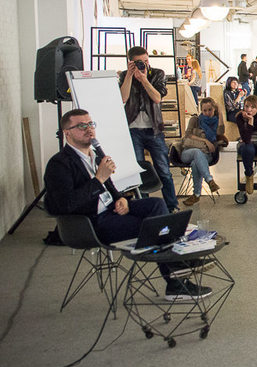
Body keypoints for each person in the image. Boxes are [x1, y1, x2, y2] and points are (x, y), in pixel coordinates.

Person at [44, 109, 211, 301]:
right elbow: (63, 205)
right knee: (154, 228)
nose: (89, 129)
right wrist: (98, 180)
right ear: (67, 133)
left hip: (111, 210)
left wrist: (120, 198)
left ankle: (176, 266)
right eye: (82, 126)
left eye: (91, 124)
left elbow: (110, 188)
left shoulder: (95, 155)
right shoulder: (59, 164)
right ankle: (177, 277)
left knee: (156, 205)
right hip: (92, 222)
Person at [119, 46, 178, 212]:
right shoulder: (125, 75)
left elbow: (157, 98)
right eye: (139, 62)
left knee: (163, 170)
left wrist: (144, 79)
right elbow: (123, 97)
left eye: (146, 61)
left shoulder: (157, 74)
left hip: (154, 129)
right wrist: (129, 75)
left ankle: (172, 206)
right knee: (138, 172)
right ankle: (144, 206)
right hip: (133, 129)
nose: (143, 64)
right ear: (130, 62)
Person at [178, 97, 225, 206]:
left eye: (210, 110)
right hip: (188, 152)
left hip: (206, 154)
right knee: (196, 152)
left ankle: (196, 194)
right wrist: (205, 140)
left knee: (196, 163)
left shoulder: (216, 121)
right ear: (201, 110)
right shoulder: (196, 120)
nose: (207, 113)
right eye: (204, 110)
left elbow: (221, 132)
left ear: (214, 109)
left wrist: (220, 114)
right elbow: (188, 135)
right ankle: (209, 180)